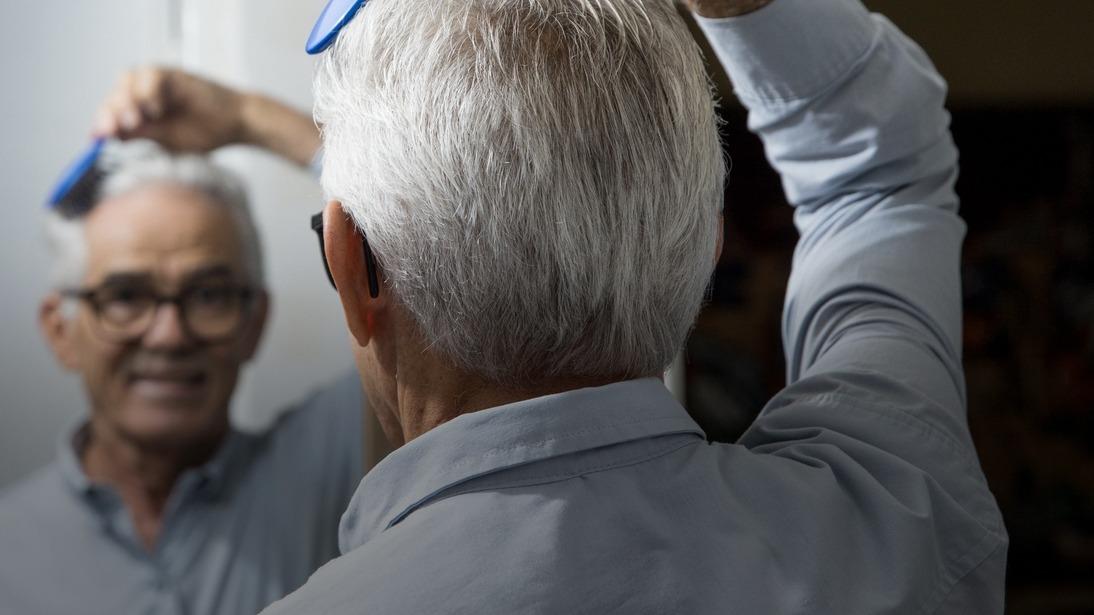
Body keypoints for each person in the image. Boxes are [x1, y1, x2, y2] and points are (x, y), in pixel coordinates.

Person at [260, 0, 1005, 612]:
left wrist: (251, 121)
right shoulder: (890, 533)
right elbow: (878, 177)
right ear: (706, 243)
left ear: (353, 268)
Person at [0, 142, 366, 614]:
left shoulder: (327, 465)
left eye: (209, 295)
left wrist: (243, 118)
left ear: (255, 322)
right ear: (60, 330)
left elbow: (435, 250)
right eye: (126, 296)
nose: (169, 336)